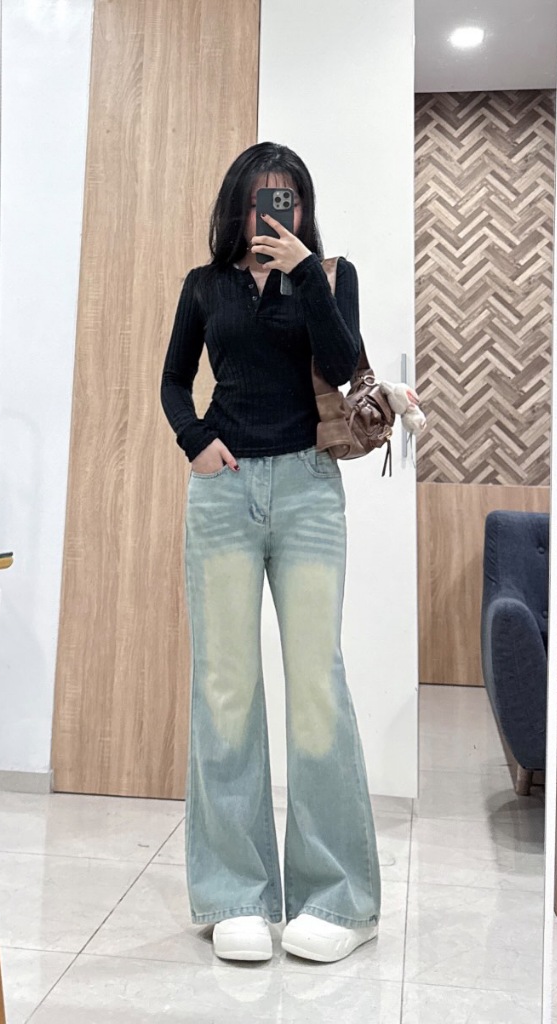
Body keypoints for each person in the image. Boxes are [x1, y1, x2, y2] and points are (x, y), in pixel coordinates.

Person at [160, 142, 381, 965]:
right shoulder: (203, 285)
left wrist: (306, 274)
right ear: (237, 206)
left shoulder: (329, 275)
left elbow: (345, 364)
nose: (275, 212)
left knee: (317, 685)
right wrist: (194, 440)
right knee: (226, 688)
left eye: (289, 198)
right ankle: (235, 894)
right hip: (224, 494)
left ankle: (339, 898)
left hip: (309, 491)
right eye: (262, 198)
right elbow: (174, 379)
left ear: (303, 209)